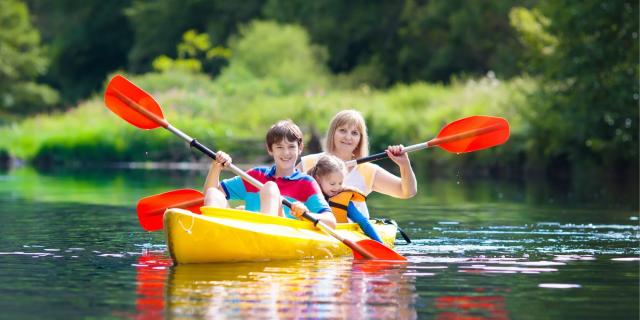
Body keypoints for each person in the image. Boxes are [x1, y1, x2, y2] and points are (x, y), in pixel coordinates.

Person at [204, 120, 336, 228]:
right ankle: (212, 232)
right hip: (245, 234)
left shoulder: (306, 183)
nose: (286, 153)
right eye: (279, 147)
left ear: (300, 148)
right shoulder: (256, 175)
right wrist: (216, 166)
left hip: (279, 235)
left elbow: (331, 222)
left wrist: (305, 213)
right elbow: (210, 194)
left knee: (270, 188)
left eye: (291, 147)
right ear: (270, 149)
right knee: (213, 193)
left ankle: (264, 231)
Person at [299, 109, 417, 219]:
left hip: (353, 231)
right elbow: (283, 186)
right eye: (342, 130)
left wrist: (404, 165)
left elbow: (407, 192)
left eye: (354, 133)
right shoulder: (309, 163)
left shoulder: (368, 171)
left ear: (360, 139)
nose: (348, 137)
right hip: (314, 226)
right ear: (333, 133)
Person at [308, 154, 383, 243]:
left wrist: (380, 243)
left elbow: (362, 221)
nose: (336, 188)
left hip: (337, 237)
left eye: (340, 183)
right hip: (311, 233)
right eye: (332, 183)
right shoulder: (309, 194)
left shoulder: (343, 199)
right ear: (318, 179)